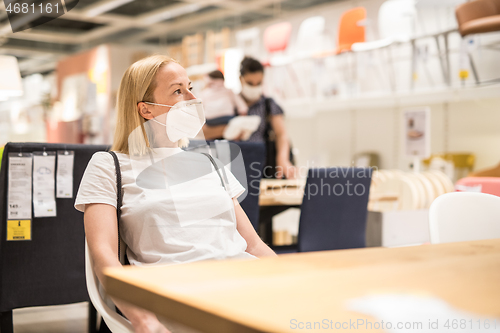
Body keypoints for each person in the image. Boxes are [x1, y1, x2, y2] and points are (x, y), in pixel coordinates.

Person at [75, 55, 276, 333]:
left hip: (242, 286)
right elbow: (105, 257)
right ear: (146, 109)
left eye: (190, 86)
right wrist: (144, 321)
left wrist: (294, 282)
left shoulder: (210, 163)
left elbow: (253, 245)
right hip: (178, 299)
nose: (192, 97)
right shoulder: (108, 165)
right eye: (178, 90)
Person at [203, 57, 296, 179]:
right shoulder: (230, 102)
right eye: (250, 83)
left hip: (263, 164)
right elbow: (205, 132)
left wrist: (282, 159)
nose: (254, 87)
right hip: (234, 164)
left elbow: (281, 134)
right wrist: (231, 128)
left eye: (259, 83)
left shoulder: (268, 105)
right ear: (241, 79)